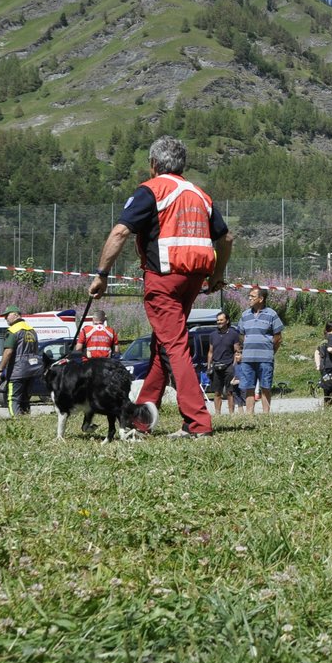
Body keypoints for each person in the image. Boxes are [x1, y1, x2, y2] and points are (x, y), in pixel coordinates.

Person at [88, 135, 231, 439]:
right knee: (161, 344)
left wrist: (102, 273)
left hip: (163, 277)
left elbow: (120, 233)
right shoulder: (200, 194)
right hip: (194, 277)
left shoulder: (151, 190)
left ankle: (197, 423)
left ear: (153, 164)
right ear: (183, 164)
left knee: (174, 344)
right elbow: (226, 239)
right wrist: (217, 275)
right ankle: (140, 419)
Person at [236, 287, 285, 414]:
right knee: (248, 387)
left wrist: (270, 351)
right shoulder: (245, 315)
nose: (249, 298)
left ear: (261, 299)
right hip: (248, 359)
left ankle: (265, 415)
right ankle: (249, 415)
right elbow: (241, 334)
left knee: (265, 387)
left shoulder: (271, 314)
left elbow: (278, 337)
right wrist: (244, 348)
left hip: (265, 359)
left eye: (252, 296)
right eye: (249, 296)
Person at [0, 308, 44, 416]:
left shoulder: (13, 330)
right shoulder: (31, 330)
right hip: (32, 370)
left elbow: (8, 351)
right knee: (25, 398)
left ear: (15, 315)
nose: (5, 318)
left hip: (17, 370)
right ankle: (26, 420)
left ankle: (17, 424)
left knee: (13, 398)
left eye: (7, 315)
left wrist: (1, 369)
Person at [203, 310, 241, 415]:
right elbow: (210, 352)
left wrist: (234, 365)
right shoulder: (212, 335)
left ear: (227, 321)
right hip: (216, 366)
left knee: (230, 392)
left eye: (221, 320)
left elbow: (236, 351)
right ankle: (217, 414)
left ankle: (231, 414)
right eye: (217, 320)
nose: (219, 322)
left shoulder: (233, 334)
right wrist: (209, 366)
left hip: (229, 365)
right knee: (217, 392)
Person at [315, 322, 332, 402]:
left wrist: (318, 365)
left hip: (324, 367)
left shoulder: (324, 340)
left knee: (327, 388)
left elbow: (317, 352)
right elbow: (330, 349)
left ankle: (327, 405)